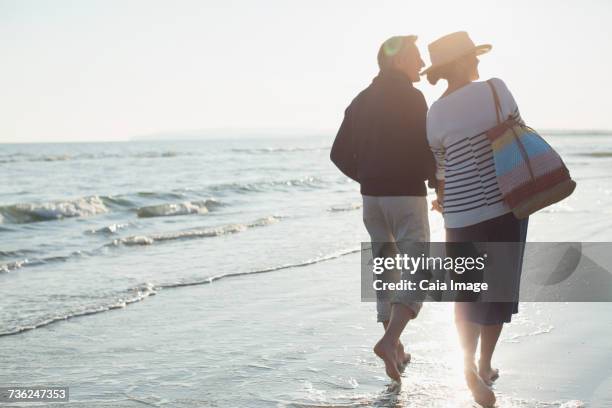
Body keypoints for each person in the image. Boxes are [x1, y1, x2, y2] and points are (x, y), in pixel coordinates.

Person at [424, 31, 528, 406]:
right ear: (463, 61)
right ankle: (485, 364)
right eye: (473, 57)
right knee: (497, 292)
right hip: (504, 205)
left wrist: (444, 201)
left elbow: (441, 171)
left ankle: (468, 364)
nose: (479, 62)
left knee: (466, 295)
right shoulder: (495, 90)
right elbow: (519, 131)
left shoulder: (434, 113)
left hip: (460, 215)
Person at [330, 35, 436, 382]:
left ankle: (398, 349)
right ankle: (389, 341)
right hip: (406, 196)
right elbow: (425, 149)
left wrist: (367, 176)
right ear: (397, 60)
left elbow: (338, 154)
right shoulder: (413, 97)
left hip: (372, 200)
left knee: (386, 269)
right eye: (416, 57)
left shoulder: (360, 100)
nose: (420, 64)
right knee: (419, 266)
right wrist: (437, 183)